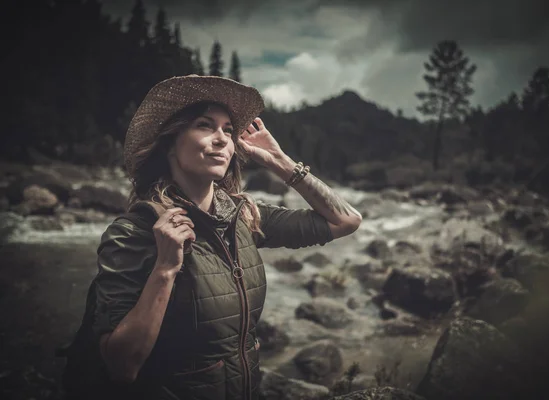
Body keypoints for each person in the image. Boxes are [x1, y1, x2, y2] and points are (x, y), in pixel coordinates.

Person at [61, 75, 362, 400]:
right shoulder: (133, 234)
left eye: (228, 131)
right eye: (205, 126)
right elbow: (122, 367)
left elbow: (346, 220)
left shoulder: (244, 216)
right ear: (170, 143)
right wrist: (164, 269)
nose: (221, 139)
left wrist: (281, 162)